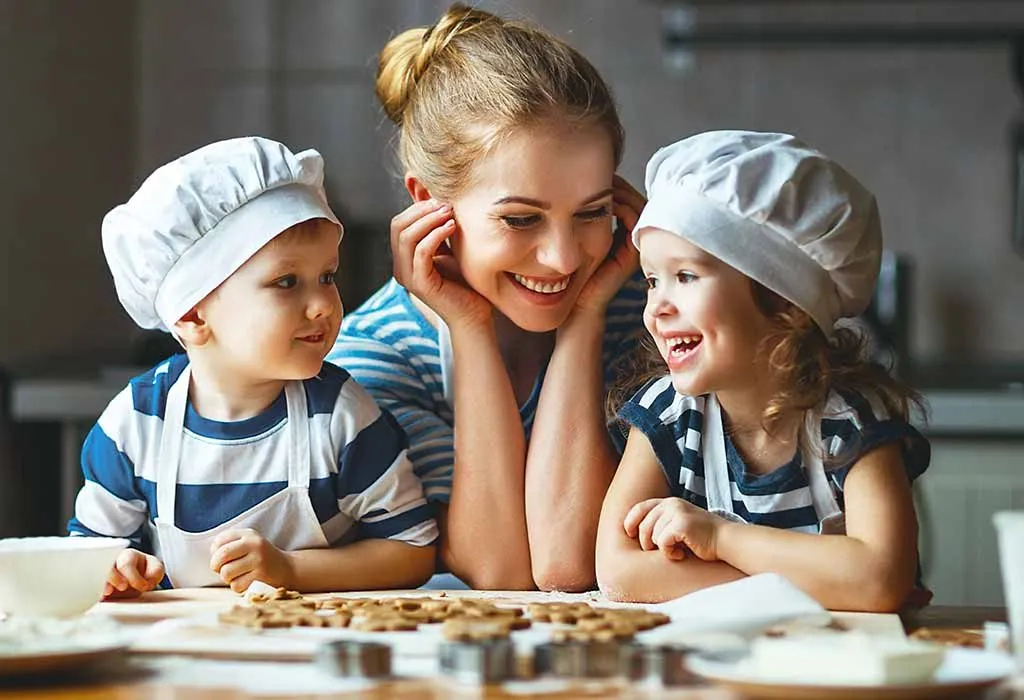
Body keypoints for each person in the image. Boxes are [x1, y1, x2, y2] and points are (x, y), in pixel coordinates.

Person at [328, 3, 648, 590]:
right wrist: (469, 330)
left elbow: (569, 559)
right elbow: (499, 571)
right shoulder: (373, 360)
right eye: (521, 219)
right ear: (428, 204)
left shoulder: (649, 319)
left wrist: (585, 322)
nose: (564, 259)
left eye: (591, 212)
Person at [69, 137, 438, 595]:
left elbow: (412, 550)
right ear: (192, 315)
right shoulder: (136, 425)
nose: (324, 304)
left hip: (311, 637)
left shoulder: (341, 417)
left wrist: (291, 570)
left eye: (327, 276)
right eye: (287, 282)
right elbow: (91, 556)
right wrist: (117, 570)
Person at [596, 131, 931, 611]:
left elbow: (879, 579)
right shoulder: (667, 415)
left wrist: (719, 538)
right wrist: (825, 582)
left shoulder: (850, 422)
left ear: (783, 301)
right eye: (652, 280)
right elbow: (618, 570)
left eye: (685, 276)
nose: (657, 308)